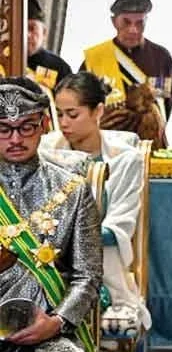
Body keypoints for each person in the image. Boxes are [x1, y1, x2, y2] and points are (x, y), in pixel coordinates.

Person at [0, 77, 101, 352]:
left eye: (26, 126)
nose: (15, 138)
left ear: (45, 125)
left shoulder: (72, 189)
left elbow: (89, 276)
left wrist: (56, 322)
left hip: (48, 332)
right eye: (3, 129)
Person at [40, 72, 151, 334]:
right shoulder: (45, 151)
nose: (64, 123)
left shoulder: (125, 160)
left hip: (102, 265)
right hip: (46, 263)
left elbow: (118, 227)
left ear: (98, 110)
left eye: (72, 114)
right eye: (60, 114)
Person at [80, 0, 172, 146]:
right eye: (126, 22)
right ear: (114, 22)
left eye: (140, 23)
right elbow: (82, 106)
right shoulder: (95, 58)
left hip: (148, 145)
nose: (133, 29)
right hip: (106, 147)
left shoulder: (160, 57)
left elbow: (163, 107)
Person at [25, 0, 72, 90]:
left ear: (44, 33)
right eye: (21, 29)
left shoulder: (59, 67)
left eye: (32, 28)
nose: (27, 35)